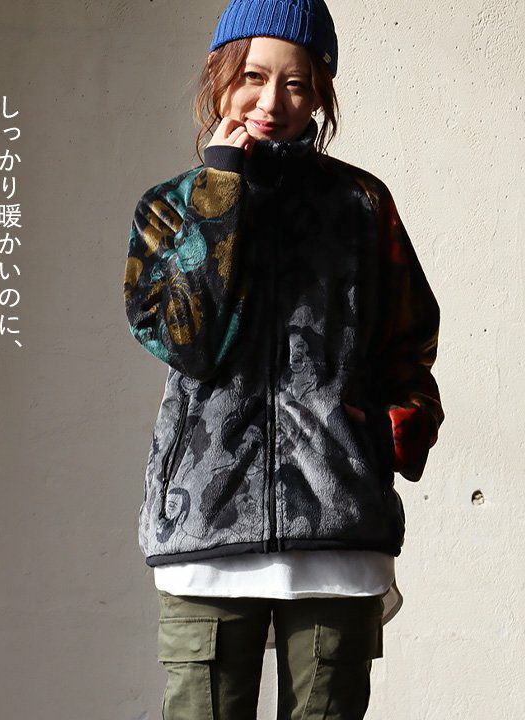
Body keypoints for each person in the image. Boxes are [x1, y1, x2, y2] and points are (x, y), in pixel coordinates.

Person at [122, 0, 445, 717]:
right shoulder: (170, 209)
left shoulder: (362, 205)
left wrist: (383, 435)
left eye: (296, 83)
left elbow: (410, 339)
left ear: (320, 91)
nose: (271, 102)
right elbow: (188, 343)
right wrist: (220, 193)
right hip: (205, 534)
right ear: (219, 77)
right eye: (253, 76)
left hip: (337, 534)